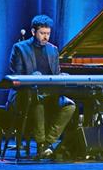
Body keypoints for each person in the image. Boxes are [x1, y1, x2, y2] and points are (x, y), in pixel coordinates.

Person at [7, 15, 76, 159]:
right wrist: (33, 76)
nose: (46, 37)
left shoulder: (53, 50)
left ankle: (47, 143)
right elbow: (17, 75)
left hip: (49, 94)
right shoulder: (20, 48)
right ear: (33, 32)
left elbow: (56, 74)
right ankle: (40, 145)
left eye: (48, 33)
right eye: (42, 33)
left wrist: (62, 76)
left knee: (70, 106)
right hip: (25, 94)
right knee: (37, 101)